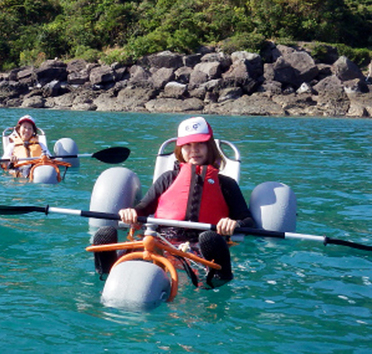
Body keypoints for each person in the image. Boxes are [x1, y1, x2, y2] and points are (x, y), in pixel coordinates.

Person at [93, 116, 255, 289]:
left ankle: (218, 276)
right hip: (163, 238)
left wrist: (234, 223)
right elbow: (143, 208)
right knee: (139, 245)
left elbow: (248, 221)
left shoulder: (227, 184)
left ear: (210, 147)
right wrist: (132, 213)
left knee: (210, 242)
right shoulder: (167, 178)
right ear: (180, 148)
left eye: (200, 144)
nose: (194, 150)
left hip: (202, 244)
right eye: (188, 145)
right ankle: (108, 269)